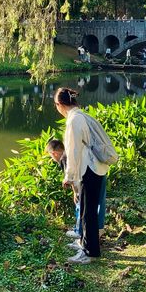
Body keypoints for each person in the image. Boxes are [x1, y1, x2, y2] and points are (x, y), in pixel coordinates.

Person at [55, 87, 110, 265]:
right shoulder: (82, 116)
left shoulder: (73, 121)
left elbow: (73, 151)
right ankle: (85, 244)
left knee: (88, 212)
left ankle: (90, 252)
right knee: (89, 211)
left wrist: (69, 177)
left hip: (89, 169)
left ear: (60, 104)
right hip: (97, 167)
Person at [46, 137, 106, 238]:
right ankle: (99, 229)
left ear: (54, 153)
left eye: (51, 156)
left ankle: (79, 231)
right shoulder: (73, 150)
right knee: (100, 202)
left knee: (80, 204)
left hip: (87, 178)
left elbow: (72, 177)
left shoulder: (64, 158)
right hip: (100, 171)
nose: (53, 159)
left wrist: (75, 193)